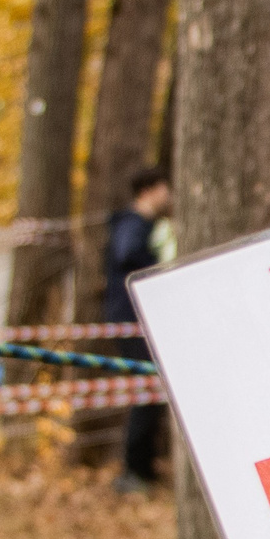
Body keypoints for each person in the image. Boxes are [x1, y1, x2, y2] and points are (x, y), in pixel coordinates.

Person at [104, 167, 171, 493]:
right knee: (146, 391)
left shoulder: (143, 225)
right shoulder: (133, 224)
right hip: (131, 320)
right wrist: (156, 265)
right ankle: (134, 471)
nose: (168, 195)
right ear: (148, 190)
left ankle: (144, 467)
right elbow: (127, 253)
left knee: (152, 393)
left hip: (139, 319)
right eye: (164, 188)